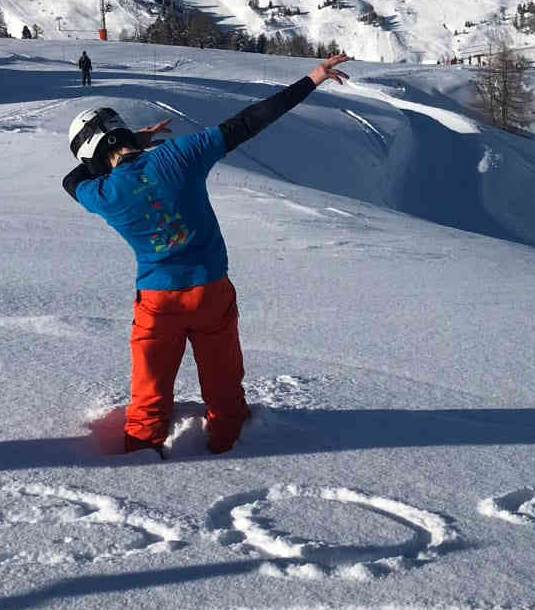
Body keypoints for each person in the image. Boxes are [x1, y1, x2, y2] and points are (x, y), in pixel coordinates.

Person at [62, 54, 351, 454]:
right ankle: (230, 442)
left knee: (148, 395)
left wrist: (125, 150)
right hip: (211, 290)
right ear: (122, 134)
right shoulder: (180, 155)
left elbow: (71, 179)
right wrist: (312, 78)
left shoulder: (101, 194)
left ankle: (139, 458)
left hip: (157, 302)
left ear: (92, 157)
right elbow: (249, 121)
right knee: (224, 387)